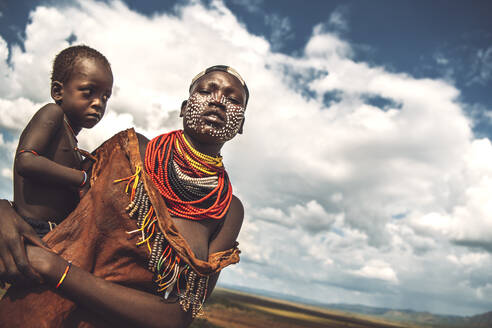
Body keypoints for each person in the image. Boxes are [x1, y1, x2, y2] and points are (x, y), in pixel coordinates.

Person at [0, 65, 248, 328]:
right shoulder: (127, 150)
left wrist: (55, 268)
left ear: (241, 124)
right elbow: (52, 208)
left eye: (232, 99)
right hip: (37, 312)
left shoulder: (228, 210)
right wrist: (4, 210)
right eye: (206, 91)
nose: (218, 101)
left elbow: (178, 316)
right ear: (185, 108)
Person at [12, 44, 113, 238]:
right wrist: (82, 179)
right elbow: (26, 160)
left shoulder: (74, 146)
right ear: (58, 91)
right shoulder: (53, 113)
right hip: (32, 229)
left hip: (56, 235)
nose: (98, 103)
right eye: (88, 91)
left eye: (105, 96)